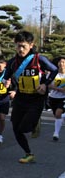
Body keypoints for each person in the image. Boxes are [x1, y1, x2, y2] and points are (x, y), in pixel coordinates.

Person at [3, 31, 57, 163]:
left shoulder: (39, 59)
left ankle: (35, 123)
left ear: (31, 45)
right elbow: (6, 76)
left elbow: (54, 69)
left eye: (24, 46)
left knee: (25, 127)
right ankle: (28, 153)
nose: (20, 49)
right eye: (18, 46)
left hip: (36, 98)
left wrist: (45, 84)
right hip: (21, 97)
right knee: (16, 127)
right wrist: (6, 82)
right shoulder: (12, 62)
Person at [48, 56, 65, 141]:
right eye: (60, 62)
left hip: (63, 98)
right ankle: (64, 115)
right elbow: (47, 83)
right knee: (57, 116)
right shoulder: (53, 73)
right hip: (53, 98)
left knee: (58, 114)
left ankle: (56, 133)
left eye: (63, 62)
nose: (61, 64)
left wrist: (55, 88)